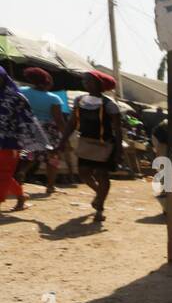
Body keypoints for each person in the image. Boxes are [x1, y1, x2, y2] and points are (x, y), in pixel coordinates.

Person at [57, 71, 122, 223]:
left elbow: (117, 129)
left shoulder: (110, 104)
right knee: (84, 173)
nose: (85, 83)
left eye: (89, 80)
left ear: (99, 83)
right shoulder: (80, 100)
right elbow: (72, 123)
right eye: (84, 80)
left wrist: (119, 151)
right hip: (86, 142)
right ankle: (99, 194)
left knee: (101, 175)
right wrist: (62, 141)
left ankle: (99, 208)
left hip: (104, 144)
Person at [0, 68, 50, 210]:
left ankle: (18, 197)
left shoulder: (17, 98)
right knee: (3, 175)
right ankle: (21, 196)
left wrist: (39, 142)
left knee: (3, 174)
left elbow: (29, 121)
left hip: (9, 142)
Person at [16, 67, 65, 196]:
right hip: (49, 130)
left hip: (28, 127)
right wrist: (65, 137)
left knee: (30, 155)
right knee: (52, 158)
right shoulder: (54, 98)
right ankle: (50, 186)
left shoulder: (21, 91)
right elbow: (59, 120)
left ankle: (21, 174)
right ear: (47, 82)